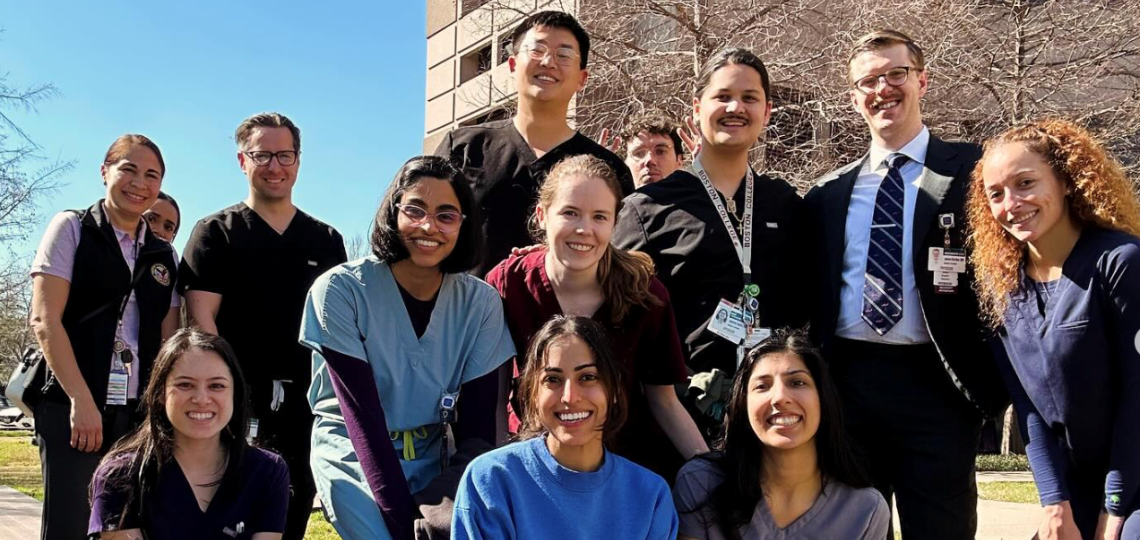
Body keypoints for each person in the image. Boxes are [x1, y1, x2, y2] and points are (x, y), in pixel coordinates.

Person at [801, 30, 1008, 538]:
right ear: (854, 97)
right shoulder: (827, 194)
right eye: (868, 80)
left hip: (938, 388)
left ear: (922, 80)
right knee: (849, 529)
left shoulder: (974, 172)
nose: (883, 88)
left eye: (896, 74)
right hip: (847, 386)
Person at [300, 155, 515, 540]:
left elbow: (478, 432)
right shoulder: (341, 291)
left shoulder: (481, 305)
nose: (428, 226)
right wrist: (405, 526)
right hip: (354, 448)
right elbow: (363, 423)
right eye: (415, 209)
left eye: (446, 215)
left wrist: (443, 508)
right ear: (393, 211)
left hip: (436, 451)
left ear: (464, 225)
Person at [612, 48, 807, 439]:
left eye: (749, 98)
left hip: (774, 418)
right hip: (677, 422)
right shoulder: (646, 209)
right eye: (722, 97)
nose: (736, 107)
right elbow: (619, 324)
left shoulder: (788, 204)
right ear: (696, 111)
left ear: (766, 112)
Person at [486, 154, 706, 483]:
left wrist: (712, 470)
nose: (584, 229)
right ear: (542, 215)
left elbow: (665, 402)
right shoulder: (506, 285)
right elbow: (494, 397)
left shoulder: (645, 293)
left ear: (615, 223)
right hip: (535, 466)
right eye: (570, 213)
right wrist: (499, 474)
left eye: (599, 217)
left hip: (627, 470)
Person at [968, 118, 1140, 540]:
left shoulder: (1121, 262)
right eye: (996, 194)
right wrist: (1054, 502)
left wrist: (1113, 507)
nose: (1011, 203)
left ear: (1066, 182)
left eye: (1026, 183)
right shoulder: (999, 286)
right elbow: (1028, 408)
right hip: (1079, 483)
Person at [179, 112, 347, 540]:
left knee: (288, 515)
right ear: (242, 160)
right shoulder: (215, 233)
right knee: (224, 517)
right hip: (235, 406)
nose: (275, 166)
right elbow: (202, 321)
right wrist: (224, 390)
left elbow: (341, 327)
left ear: (298, 160)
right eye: (262, 155)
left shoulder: (325, 240)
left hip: (306, 407)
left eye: (284, 155)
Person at [29, 134, 181, 540]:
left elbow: (169, 338)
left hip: (134, 411)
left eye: (151, 175)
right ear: (104, 171)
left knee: (125, 526)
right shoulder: (73, 228)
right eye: (128, 169)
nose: (139, 183)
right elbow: (45, 319)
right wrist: (81, 400)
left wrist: (158, 410)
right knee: (71, 524)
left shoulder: (165, 256)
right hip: (71, 402)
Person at [435, 10, 634, 276]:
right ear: (513, 65)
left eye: (564, 55)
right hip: (466, 315)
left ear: (581, 79)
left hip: (570, 317)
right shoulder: (463, 147)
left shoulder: (608, 168)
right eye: (537, 49)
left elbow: (618, 264)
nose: (549, 62)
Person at [452, 315, 679, 539]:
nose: (569, 397)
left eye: (587, 377)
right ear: (532, 394)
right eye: (552, 379)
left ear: (614, 391)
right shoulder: (492, 479)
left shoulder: (650, 495)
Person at [674, 328, 890, 540]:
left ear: (824, 400)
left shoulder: (867, 510)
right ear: (742, 405)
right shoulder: (700, 484)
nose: (779, 397)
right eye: (762, 386)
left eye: (797, 382)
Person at [89, 328, 290, 539]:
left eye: (216, 385)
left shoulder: (267, 471)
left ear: (236, 394)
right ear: (159, 394)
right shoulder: (120, 475)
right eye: (185, 384)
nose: (202, 398)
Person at [616, 112, 685, 188]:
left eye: (660, 151)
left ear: (679, 161)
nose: (649, 160)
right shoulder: (608, 199)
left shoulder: (698, 197)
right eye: (639, 154)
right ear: (625, 164)